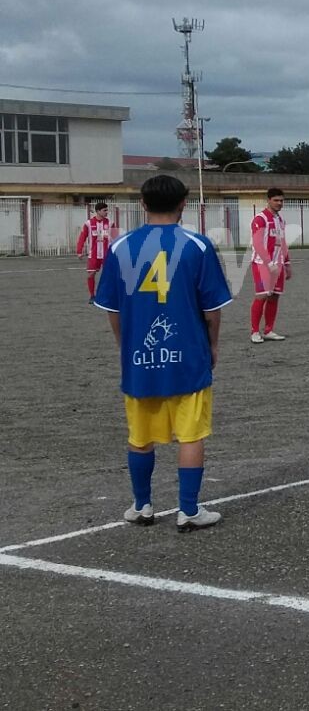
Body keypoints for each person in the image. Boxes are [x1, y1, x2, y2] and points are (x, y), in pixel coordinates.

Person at [93, 174, 231, 531]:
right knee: (191, 434)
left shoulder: (120, 247)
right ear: (183, 204)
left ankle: (142, 506)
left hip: (139, 357)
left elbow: (112, 308)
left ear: (143, 204)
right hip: (188, 355)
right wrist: (213, 344)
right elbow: (212, 310)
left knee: (139, 436)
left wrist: (125, 345)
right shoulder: (197, 246)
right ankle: (188, 510)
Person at [249, 187, 290, 344]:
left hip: (277, 265)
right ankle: (254, 332)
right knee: (262, 296)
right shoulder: (260, 219)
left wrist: (287, 263)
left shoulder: (280, 220)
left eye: (281, 200)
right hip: (262, 265)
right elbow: (258, 243)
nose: (279, 203)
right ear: (268, 200)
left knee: (274, 296)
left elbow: (283, 243)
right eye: (276, 200)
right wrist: (268, 263)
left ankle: (268, 330)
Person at [77, 202, 118, 301]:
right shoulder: (88, 223)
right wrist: (79, 251)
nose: (106, 212)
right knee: (91, 274)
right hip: (94, 254)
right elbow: (82, 237)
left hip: (106, 254)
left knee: (109, 275)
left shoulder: (110, 223)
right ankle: (92, 296)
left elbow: (116, 238)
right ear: (98, 211)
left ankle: (107, 295)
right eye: (104, 210)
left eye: (107, 210)